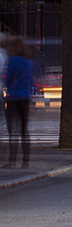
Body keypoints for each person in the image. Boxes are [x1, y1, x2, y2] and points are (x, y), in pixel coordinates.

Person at [4, 37, 35, 168]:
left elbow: (9, 79)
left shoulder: (13, 61)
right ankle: (26, 160)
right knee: (24, 130)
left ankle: (12, 160)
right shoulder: (29, 63)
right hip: (25, 97)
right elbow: (31, 81)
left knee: (13, 131)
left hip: (13, 97)